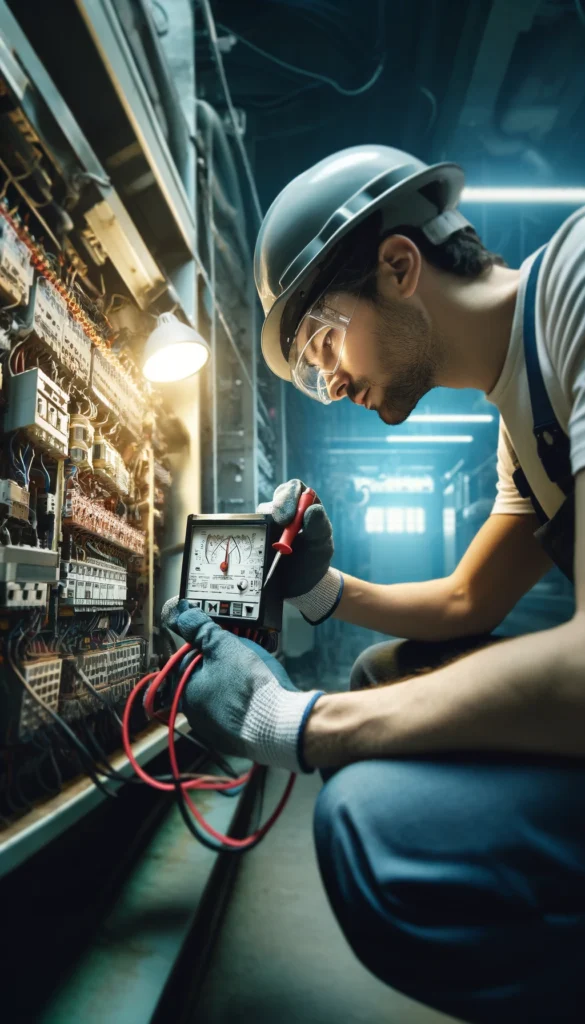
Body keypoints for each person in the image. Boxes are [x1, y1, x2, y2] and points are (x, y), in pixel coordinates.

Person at [162, 146, 585, 1023]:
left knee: (374, 826)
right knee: (385, 674)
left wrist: (290, 722)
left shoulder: (576, 288)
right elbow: (468, 603)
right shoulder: (522, 415)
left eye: (322, 341)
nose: (333, 381)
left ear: (399, 266)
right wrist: (321, 590)